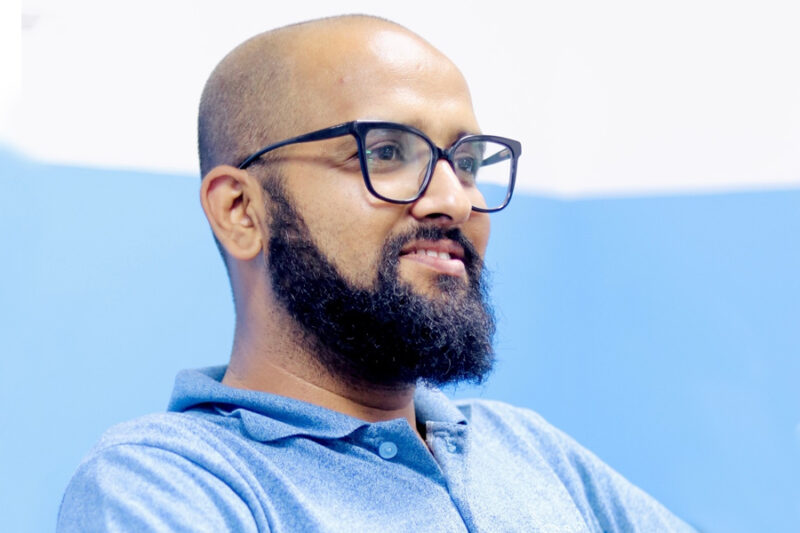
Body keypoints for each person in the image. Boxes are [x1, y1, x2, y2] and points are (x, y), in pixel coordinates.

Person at [58, 15, 695, 532]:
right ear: (241, 211)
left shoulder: (528, 448)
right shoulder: (169, 484)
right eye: (387, 151)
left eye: (467, 163)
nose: (455, 200)